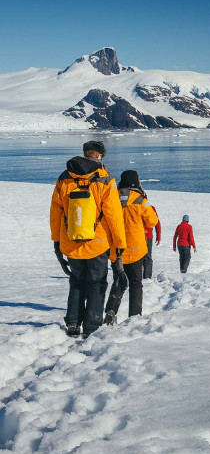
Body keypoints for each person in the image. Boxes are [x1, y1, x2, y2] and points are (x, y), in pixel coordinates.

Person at [50, 140, 126, 338]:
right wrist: (119, 244)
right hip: (97, 243)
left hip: (70, 239)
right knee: (96, 282)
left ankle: (73, 322)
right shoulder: (105, 179)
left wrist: (57, 240)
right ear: (100, 155)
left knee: (76, 280)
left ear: (85, 153)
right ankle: (92, 327)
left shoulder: (64, 177)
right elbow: (114, 216)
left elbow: (56, 212)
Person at [104, 170, 158, 325]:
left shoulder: (112, 197)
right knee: (135, 284)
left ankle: (110, 311)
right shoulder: (140, 200)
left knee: (119, 281)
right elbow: (152, 221)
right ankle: (134, 317)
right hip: (136, 249)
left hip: (116, 249)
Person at [143, 205, 161, 279]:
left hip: (137, 236)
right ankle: (147, 277)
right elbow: (157, 223)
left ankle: (139, 276)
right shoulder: (151, 208)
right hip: (148, 236)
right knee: (147, 257)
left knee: (138, 257)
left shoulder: (134, 205)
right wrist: (158, 236)